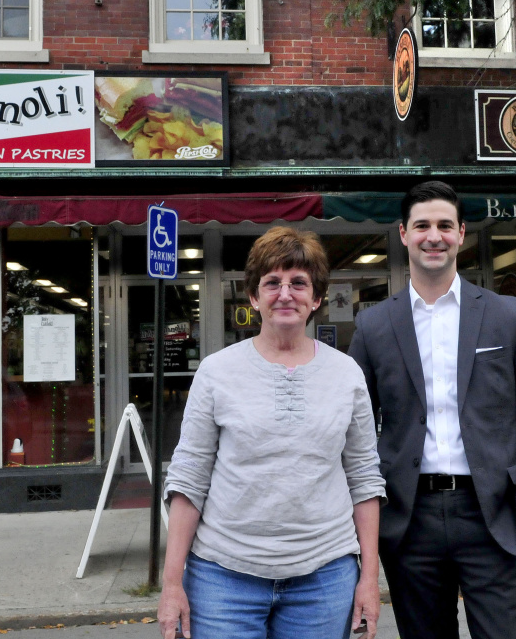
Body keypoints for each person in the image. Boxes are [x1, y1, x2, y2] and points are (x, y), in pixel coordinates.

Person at [348, 181, 516, 639]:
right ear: (403, 233)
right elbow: (356, 433)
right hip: (410, 523)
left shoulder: (507, 315)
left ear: (462, 233)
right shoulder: (372, 326)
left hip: (497, 516)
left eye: (445, 225)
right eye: (422, 225)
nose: (434, 236)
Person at [158, 226, 386, 639]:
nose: (285, 293)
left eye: (299, 283)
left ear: (316, 298)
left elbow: (365, 480)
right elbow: (188, 479)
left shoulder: (346, 373)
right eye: (272, 283)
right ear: (253, 296)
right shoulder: (216, 371)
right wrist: (172, 583)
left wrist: (369, 578)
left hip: (324, 576)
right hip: (223, 578)